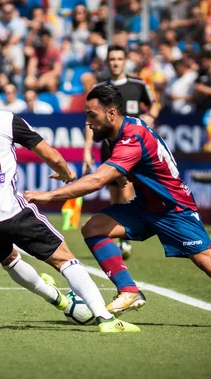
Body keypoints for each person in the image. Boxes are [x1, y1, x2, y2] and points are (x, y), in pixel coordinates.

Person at [25, 84, 211, 330]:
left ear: (112, 114)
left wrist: (48, 196)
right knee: (94, 227)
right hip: (147, 207)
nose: (87, 122)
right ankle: (128, 290)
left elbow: (97, 181)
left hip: (174, 211)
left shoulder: (130, 139)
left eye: (92, 115)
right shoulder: (122, 132)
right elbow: (122, 174)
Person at [0, 68, 139, 333]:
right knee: (65, 259)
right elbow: (50, 154)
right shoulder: (4, 118)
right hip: (8, 210)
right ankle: (106, 319)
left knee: (9, 259)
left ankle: (59, 300)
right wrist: (66, 173)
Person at [82, 45, 158, 260]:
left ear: (125, 61)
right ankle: (121, 235)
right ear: (107, 62)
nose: (115, 62)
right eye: (112, 59)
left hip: (132, 151)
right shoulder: (100, 89)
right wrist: (88, 151)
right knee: (115, 195)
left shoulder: (138, 85)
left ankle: (126, 238)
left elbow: (154, 105)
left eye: (119, 58)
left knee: (127, 191)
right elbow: (91, 120)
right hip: (109, 149)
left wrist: (151, 116)